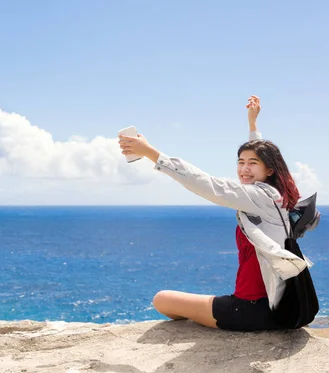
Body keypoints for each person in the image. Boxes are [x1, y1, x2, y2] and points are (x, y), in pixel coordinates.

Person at [118, 96, 311, 331]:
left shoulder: (259, 197)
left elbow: (207, 184)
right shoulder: (278, 195)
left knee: (162, 300)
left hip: (250, 310)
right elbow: (263, 159)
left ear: (269, 169)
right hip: (275, 308)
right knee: (180, 303)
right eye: (240, 162)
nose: (244, 169)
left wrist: (151, 153)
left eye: (252, 163)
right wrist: (253, 126)